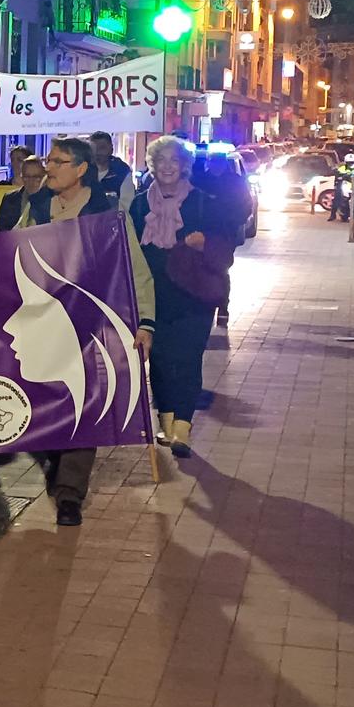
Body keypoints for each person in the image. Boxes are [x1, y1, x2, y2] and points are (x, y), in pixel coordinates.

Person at [28, 138, 154, 527]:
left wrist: (144, 322)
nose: (49, 168)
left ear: (81, 169)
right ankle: (54, 461)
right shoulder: (34, 210)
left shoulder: (108, 214)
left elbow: (136, 270)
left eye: (57, 162)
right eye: (48, 160)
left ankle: (70, 494)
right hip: (42, 326)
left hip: (90, 329)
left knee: (86, 409)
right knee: (48, 409)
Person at [128, 135, 233, 462]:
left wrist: (205, 243)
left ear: (184, 165)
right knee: (158, 360)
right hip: (153, 296)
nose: (168, 167)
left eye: (174, 161)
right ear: (153, 165)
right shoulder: (140, 204)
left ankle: (183, 428)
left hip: (193, 296)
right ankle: (167, 420)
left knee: (187, 358)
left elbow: (227, 245)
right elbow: (128, 250)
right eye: (162, 161)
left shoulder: (203, 201)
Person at [0, 153, 52, 230]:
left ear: (45, 177)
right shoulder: (10, 199)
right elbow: (1, 232)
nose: (31, 181)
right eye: (27, 177)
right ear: (22, 177)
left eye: (36, 177)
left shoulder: (52, 200)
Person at [89, 132, 137, 212]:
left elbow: (127, 204)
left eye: (102, 148)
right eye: (94, 149)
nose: (97, 152)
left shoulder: (121, 171)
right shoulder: (82, 171)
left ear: (111, 149)